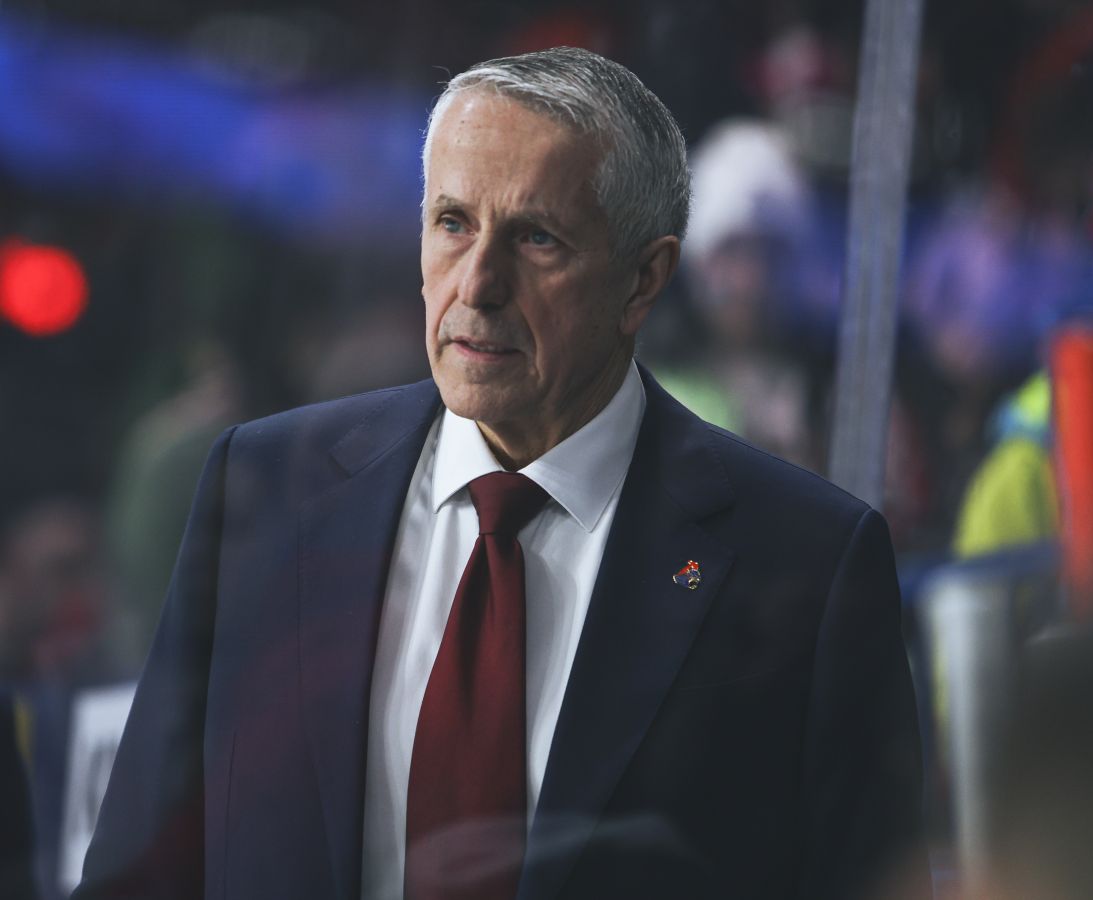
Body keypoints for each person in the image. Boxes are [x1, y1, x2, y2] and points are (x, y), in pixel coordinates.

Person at [74, 47, 925, 900]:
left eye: (536, 238)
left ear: (644, 279)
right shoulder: (263, 491)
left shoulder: (808, 565)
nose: (478, 285)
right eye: (453, 223)